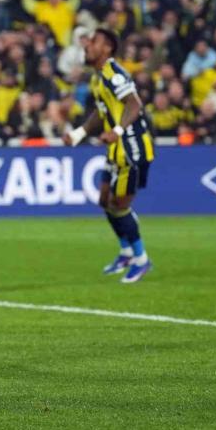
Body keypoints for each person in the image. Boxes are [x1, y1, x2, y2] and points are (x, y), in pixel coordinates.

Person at [64, 28, 155, 283]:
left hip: (131, 147)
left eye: (94, 42)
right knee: (105, 200)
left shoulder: (114, 74)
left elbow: (134, 104)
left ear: (107, 48)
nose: (87, 45)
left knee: (119, 205)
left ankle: (141, 259)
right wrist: (80, 133)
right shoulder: (97, 78)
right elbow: (101, 111)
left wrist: (117, 130)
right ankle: (126, 253)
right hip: (115, 149)